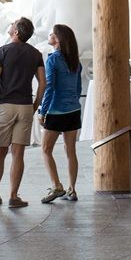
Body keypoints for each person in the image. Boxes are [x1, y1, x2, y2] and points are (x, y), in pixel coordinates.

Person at [0, 17, 45, 208]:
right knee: (18, 154)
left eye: (13, 23)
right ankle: (13, 196)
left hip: (4, 105)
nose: (11, 25)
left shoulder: (2, 52)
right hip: (25, 106)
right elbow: (43, 84)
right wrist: (35, 104)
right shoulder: (36, 54)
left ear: (16, 32)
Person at [37, 23, 82, 204]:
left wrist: (42, 110)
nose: (49, 35)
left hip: (56, 111)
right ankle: (72, 189)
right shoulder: (74, 60)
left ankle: (57, 186)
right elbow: (78, 87)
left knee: (46, 149)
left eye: (51, 34)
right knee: (70, 151)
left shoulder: (52, 60)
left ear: (57, 39)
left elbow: (49, 88)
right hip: (73, 109)